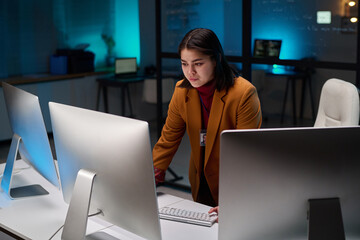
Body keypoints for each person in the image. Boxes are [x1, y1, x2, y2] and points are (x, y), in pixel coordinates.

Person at [152, 28, 262, 208]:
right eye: (184, 64)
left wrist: (233, 199)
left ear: (216, 59)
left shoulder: (244, 93)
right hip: (200, 180)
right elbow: (168, 140)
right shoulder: (182, 90)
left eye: (198, 63)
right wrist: (150, 179)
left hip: (233, 185)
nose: (190, 72)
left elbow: (247, 155)